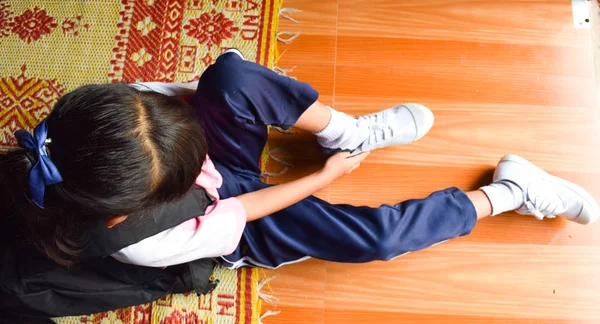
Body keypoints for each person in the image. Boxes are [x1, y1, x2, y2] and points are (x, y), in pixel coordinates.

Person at [1, 49, 598, 316]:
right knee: (373, 240)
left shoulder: (122, 119)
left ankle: (347, 131)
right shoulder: (143, 238)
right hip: (227, 218)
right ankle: (511, 192)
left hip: (195, 176)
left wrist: (207, 112)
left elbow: (197, 96)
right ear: (128, 209)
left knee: (230, 76)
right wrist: (321, 178)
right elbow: (249, 207)